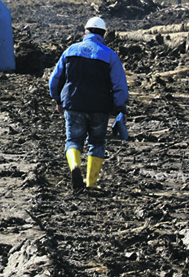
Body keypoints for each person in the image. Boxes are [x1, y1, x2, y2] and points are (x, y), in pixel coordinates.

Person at [48, 17, 129, 191]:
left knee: (73, 141)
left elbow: (55, 79)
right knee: (97, 143)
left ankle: (75, 166)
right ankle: (91, 183)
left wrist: (58, 100)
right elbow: (119, 85)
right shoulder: (109, 55)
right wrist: (121, 108)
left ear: (86, 32)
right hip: (100, 108)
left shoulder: (70, 50)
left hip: (73, 104)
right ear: (103, 34)